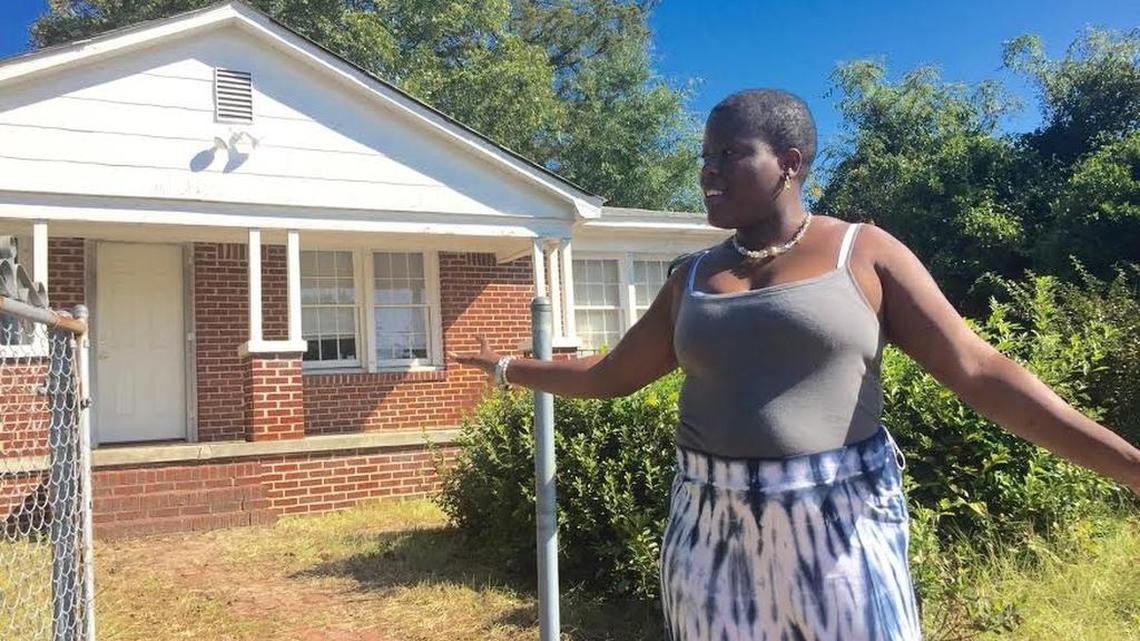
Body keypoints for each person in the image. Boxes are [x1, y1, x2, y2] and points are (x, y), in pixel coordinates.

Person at [451, 89, 1140, 641]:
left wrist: (1126, 465)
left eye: (729, 154)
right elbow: (608, 376)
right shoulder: (689, 277)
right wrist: (511, 367)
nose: (707, 171)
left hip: (840, 523)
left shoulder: (864, 253)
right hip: (707, 527)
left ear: (791, 161)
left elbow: (978, 369)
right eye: (704, 157)